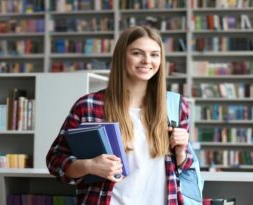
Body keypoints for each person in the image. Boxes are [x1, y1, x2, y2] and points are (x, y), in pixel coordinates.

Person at [45, 26, 194, 205]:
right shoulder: (89, 106)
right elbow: (55, 160)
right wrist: (89, 166)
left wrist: (181, 152)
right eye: (137, 53)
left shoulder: (176, 106)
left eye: (154, 54)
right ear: (122, 56)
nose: (147, 61)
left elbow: (184, 167)